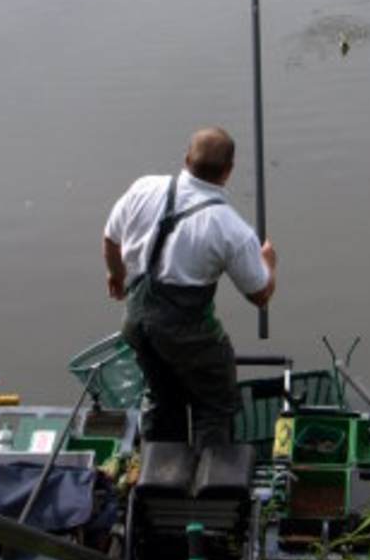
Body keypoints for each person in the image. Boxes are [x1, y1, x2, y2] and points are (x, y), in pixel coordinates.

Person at [103, 126, 277, 447]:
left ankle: (155, 482)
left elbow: (111, 237)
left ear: (186, 159)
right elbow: (260, 294)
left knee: (162, 399)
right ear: (228, 171)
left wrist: (116, 275)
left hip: (138, 326)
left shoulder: (144, 188)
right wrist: (268, 262)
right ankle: (209, 486)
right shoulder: (230, 228)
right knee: (215, 404)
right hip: (189, 337)